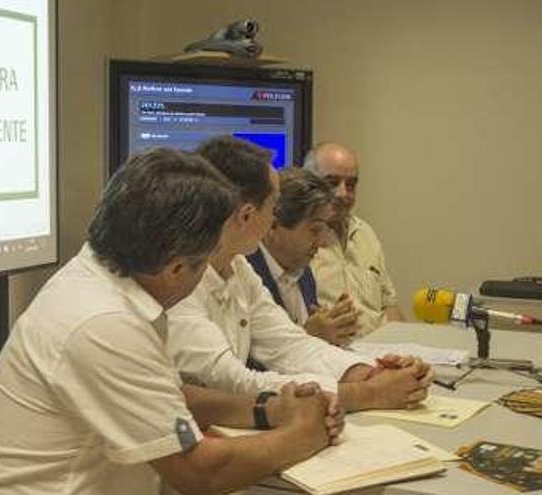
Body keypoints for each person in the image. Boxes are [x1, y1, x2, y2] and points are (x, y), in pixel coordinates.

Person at [0, 148, 340, 495]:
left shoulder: (98, 276)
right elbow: (201, 473)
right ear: (176, 267)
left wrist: (269, 408)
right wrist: (306, 432)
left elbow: (170, 398)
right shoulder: (105, 323)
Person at [167, 136, 433, 413]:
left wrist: (370, 373)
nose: (275, 218)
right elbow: (230, 383)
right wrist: (367, 394)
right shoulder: (177, 281)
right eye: (273, 207)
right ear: (247, 216)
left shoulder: (238, 268)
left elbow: (291, 345)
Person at [246, 168, 360, 347]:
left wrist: (332, 327)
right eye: (314, 230)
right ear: (273, 225)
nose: (322, 243)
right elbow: (244, 361)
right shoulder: (244, 273)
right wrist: (308, 336)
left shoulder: (302, 270)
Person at [304, 142, 405, 336]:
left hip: (381, 352)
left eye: (350, 185)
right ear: (309, 183)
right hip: (334, 355)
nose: (342, 193)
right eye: (331, 182)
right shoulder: (299, 240)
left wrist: (406, 348)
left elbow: (389, 306)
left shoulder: (365, 233)